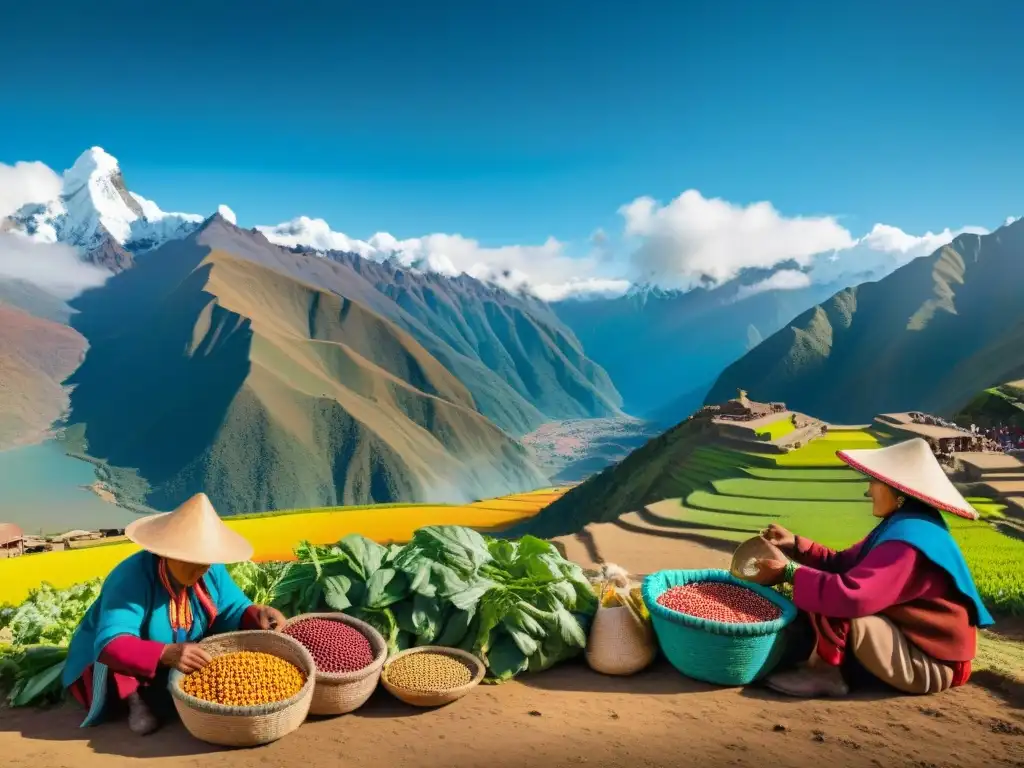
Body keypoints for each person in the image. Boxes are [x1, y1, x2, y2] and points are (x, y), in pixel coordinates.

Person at [751, 437, 994, 698]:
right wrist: (796, 544)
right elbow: (843, 563)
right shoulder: (903, 523)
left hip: (932, 663)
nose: (868, 491)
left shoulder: (907, 542)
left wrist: (788, 573)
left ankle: (824, 672)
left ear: (897, 490)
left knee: (833, 601)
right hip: (914, 641)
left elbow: (852, 596)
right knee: (823, 587)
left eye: (874, 482)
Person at [61, 493, 287, 735]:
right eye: (191, 559)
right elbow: (111, 644)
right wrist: (166, 653)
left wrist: (258, 613)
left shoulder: (211, 570)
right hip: (114, 659)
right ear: (166, 552)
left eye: (206, 560)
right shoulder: (131, 578)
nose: (201, 567)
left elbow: (234, 608)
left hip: (174, 651)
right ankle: (134, 700)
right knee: (127, 672)